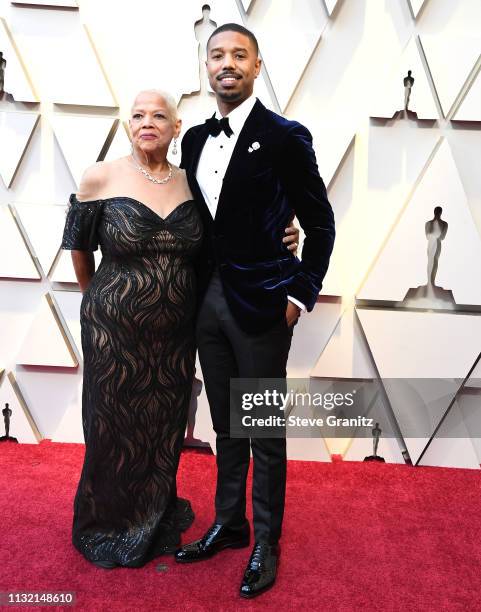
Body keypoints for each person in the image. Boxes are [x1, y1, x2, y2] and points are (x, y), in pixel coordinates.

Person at [61, 89, 299, 569]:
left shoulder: (194, 182)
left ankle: (160, 514)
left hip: (177, 334)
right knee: (111, 428)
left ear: (176, 127)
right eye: (138, 115)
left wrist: (284, 235)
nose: (147, 122)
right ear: (128, 124)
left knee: (164, 429)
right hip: (114, 332)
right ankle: (110, 521)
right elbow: (80, 250)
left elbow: (236, 231)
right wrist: (99, 304)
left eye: (159, 116)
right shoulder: (100, 176)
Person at [174, 24, 335, 599]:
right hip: (207, 304)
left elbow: (320, 226)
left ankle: (267, 539)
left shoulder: (287, 137)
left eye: (239, 55)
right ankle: (230, 521)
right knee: (226, 424)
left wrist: (298, 296)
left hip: (265, 304)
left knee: (263, 428)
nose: (227, 64)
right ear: (206, 66)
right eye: (217, 55)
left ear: (257, 65)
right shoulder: (192, 140)